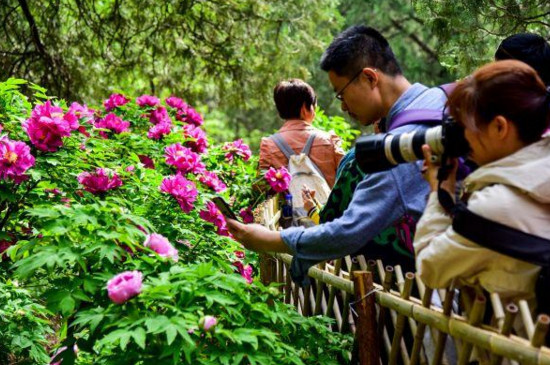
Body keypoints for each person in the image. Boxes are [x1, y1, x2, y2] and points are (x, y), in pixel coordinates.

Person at [227, 25, 447, 285]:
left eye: (342, 93)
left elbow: (349, 230)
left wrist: (266, 239)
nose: (343, 106)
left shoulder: (399, 149)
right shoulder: (442, 101)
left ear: (369, 78)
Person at [414, 60, 550, 301]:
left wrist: (438, 191)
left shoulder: (496, 207)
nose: (464, 137)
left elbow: (430, 267)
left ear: (499, 127)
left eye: (467, 125)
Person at [259, 79, 345, 189]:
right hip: (329, 206)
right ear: (305, 108)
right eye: (314, 106)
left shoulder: (269, 145)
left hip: (287, 206)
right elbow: (346, 180)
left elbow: (262, 189)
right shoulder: (330, 141)